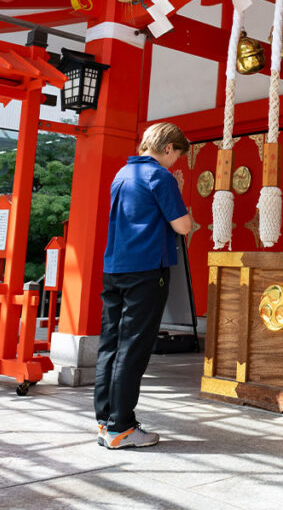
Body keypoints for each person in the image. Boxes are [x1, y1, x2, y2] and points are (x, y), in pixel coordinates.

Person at [94, 122, 192, 449]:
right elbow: (182, 225)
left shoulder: (122, 174)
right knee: (134, 346)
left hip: (115, 267)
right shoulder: (159, 176)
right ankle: (121, 426)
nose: (175, 161)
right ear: (168, 148)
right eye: (176, 155)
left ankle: (105, 421)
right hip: (146, 268)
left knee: (111, 342)